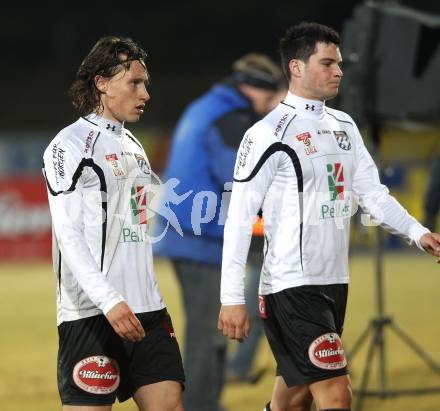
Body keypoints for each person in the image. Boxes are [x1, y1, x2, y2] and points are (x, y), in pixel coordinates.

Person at [218, 22, 440, 411]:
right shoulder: (267, 134)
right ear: (296, 67)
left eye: (338, 63)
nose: (338, 71)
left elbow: (372, 194)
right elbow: (238, 218)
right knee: (336, 395)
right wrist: (232, 297)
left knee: (293, 400)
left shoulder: (345, 126)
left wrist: (418, 232)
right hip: (291, 287)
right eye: (327, 63)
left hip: (334, 282)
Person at [42, 36, 185, 411]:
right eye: (135, 83)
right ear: (101, 84)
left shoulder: (134, 145)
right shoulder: (68, 146)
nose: (146, 93)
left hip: (147, 311)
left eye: (146, 83)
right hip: (91, 314)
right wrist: (109, 300)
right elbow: (67, 234)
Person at [153, 53, 285, 411]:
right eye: (271, 98)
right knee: (205, 332)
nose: (271, 108)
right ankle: (199, 404)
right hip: (200, 238)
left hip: (192, 234)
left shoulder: (211, 105)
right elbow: (241, 179)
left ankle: (207, 401)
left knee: (210, 329)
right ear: (254, 89)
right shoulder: (232, 118)